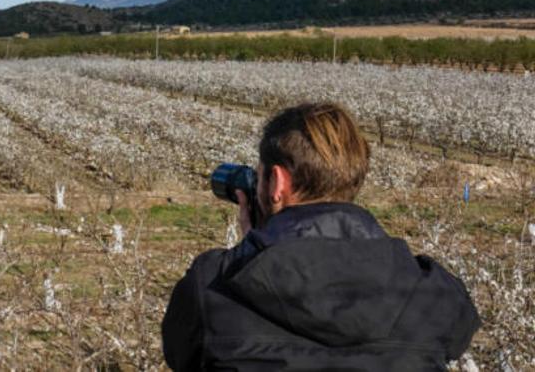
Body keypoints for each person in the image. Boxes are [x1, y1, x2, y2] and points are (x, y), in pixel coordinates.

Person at [162, 103, 479, 371]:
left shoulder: (212, 285)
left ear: (278, 184)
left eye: (259, 177)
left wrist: (251, 249)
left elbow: (182, 354)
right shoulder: (434, 291)